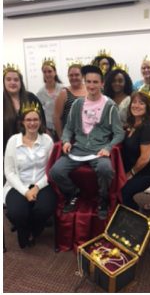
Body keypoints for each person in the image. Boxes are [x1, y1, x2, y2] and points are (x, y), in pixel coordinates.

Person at [49, 65, 124, 220]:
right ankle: (73, 193)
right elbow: (69, 128)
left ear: (102, 84)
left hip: (98, 150)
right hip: (78, 149)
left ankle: (103, 199)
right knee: (55, 171)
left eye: (95, 82)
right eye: (88, 81)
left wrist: (108, 147)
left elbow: (119, 133)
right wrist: (65, 141)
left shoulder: (110, 106)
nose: (91, 86)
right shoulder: (77, 104)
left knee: (106, 169)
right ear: (85, 82)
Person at [4, 103, 56, 248]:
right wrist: (25, 191)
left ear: (40, 122)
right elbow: (9, 171)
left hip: (42, 184)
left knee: (44, 209)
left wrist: (37, 187)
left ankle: (33, 230)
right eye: (28, 120)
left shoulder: (47, 140)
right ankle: (24, 229)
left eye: (35, 120)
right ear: (22, 122)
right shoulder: (13, 141)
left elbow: (51, 169)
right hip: (19, 185)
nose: (32, 123)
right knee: (16, 213)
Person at [121, 91, 150, 210]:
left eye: (141, 103)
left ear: (147, 107)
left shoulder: (148, 127)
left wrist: (130, 174)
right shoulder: (132, 123)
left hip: (145, 172)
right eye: (134, 102)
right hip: (133, 169)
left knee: (122, 193)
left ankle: (138, 219)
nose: (136, 105)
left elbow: (144, 159)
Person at [3, 63, 46, 152]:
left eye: (16, 80)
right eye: (8, 79)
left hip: (32, 148)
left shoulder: (31, 98)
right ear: (4, 82)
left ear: (20, 82)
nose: (12, 82)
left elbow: (42, 122)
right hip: (7, 150)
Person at [53, 62, 87, 139]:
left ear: (82, 76)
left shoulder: (90, 90)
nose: (73, 77)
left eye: (77, 75)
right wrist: (62, 138)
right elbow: (56, 117)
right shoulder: (64, 93)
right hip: (70, 138)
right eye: (71, 75)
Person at [37, 58, 64, 138]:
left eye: (49, 71)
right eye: (44, 72)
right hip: (48, 129)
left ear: (55, 72)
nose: (47, 74)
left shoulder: (62, 90)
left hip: (62, 126)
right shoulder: (40, 93)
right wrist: (44, 128)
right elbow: (39, 114)